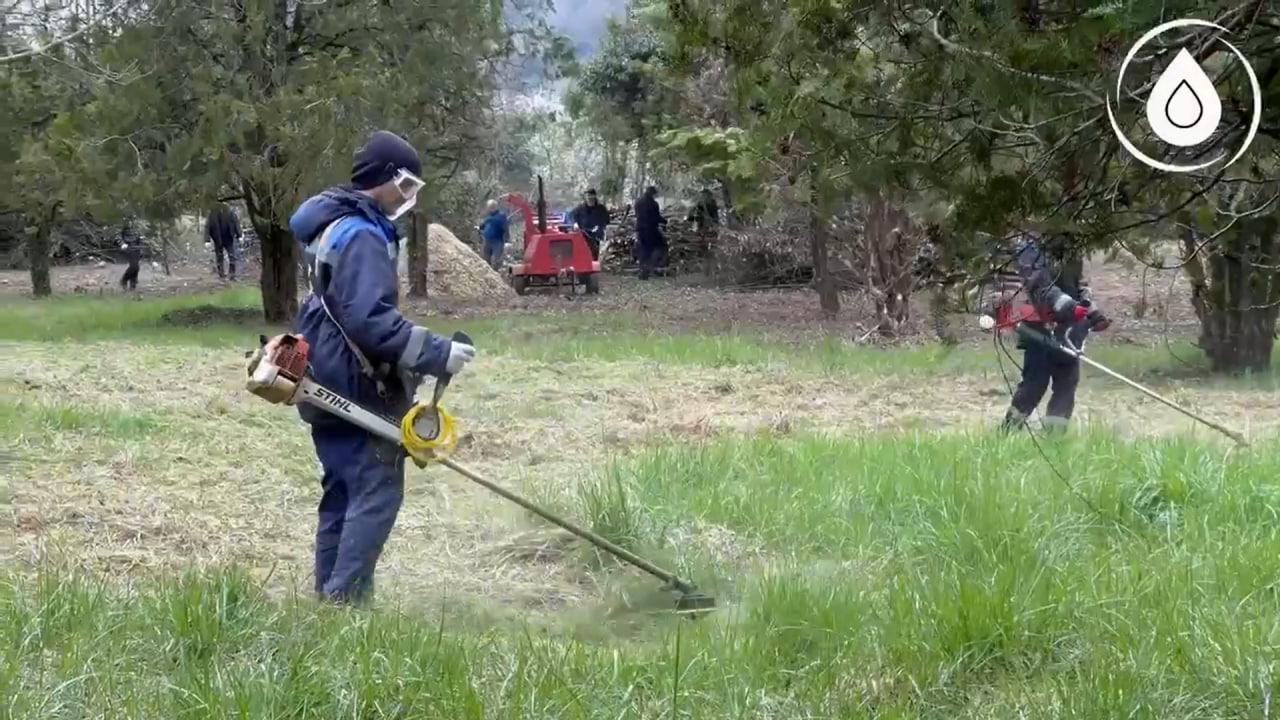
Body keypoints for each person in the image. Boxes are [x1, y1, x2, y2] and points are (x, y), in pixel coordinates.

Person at [287, 129, 477, 605]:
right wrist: (439, 353)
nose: (410, 197)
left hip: (323, 376)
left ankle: (327, 597)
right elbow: (370, 321)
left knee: (340, 492)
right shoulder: (364, 236)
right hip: (357, 386)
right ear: (387, 179)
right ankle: (346, 604)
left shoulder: (333, 224)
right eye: (408, 185)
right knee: (375, 491)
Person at [993, 231, 1108, 434]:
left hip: (1070, 330)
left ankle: (1055, 438)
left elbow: (1080, 284)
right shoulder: (1030, 247)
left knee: (1066, 384)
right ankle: (1008, 432)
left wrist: (1092, 311)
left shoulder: (1072, 248)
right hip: (1040, 328)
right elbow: (1038, 285)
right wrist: (1065, 304)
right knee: (1034, 385)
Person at [633, 186, 667, 280]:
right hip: (650, 229)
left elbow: (637, 215)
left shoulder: (638, 202)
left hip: (640, 229)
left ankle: (643, 269)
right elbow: (656, 217)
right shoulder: (653, 204)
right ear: (652, 193)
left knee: (643, 250)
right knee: (661, 246)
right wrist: (664, 221)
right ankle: (651, 267)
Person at [686, 188, 720, 275]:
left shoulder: (700, 204)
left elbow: (692, 217)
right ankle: (711, 269)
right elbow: (716, 217)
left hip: (704, 229)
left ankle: (708, 269)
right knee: (710, 249)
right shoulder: (711, 203)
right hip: (711, 228)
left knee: (705, 250)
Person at [570, 188, 610, 261]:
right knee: (583, 252)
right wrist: (575, 223)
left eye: (591, 196)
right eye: (587, 196)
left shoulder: (601, 208)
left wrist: (600, 227)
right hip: (583, 234)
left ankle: (594, 263)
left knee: (594, 252)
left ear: (594, 196)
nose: (589, 198)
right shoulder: (580, 208)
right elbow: (572, 216)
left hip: (596, 235)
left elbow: (606, 220)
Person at [205, 202, 242, 282]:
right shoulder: (213, 213)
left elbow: (236, 223)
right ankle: (221, 275)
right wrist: (207, 240)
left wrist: (239, 235)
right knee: (219, 256)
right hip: (217, 238)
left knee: (232, 256)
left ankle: (232, 275)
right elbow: (208, 226)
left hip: (228, 237)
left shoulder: (230, 212)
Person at [478, 199, 509, 271]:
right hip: (487, 240)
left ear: (494, 207)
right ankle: (486, 274)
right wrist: (479, 227)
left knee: (496, 260)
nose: (489, 209)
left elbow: (505, 227)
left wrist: (507, 239)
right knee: (485, 260)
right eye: (488, 207)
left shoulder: (501, 216)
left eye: (490, 207)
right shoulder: (489, 217)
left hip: (497, 241)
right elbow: (483, 225)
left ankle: (495, 274)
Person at [119, 220, 142, 291]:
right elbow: (116, 234)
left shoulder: (138, 223)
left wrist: (141, 244)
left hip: (137, 248)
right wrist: (122, 243)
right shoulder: (122, 221)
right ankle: (124, 279)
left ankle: (133, 286)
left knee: (136, 267)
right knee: (134, 266)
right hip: (128, 247)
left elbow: (140, 236)